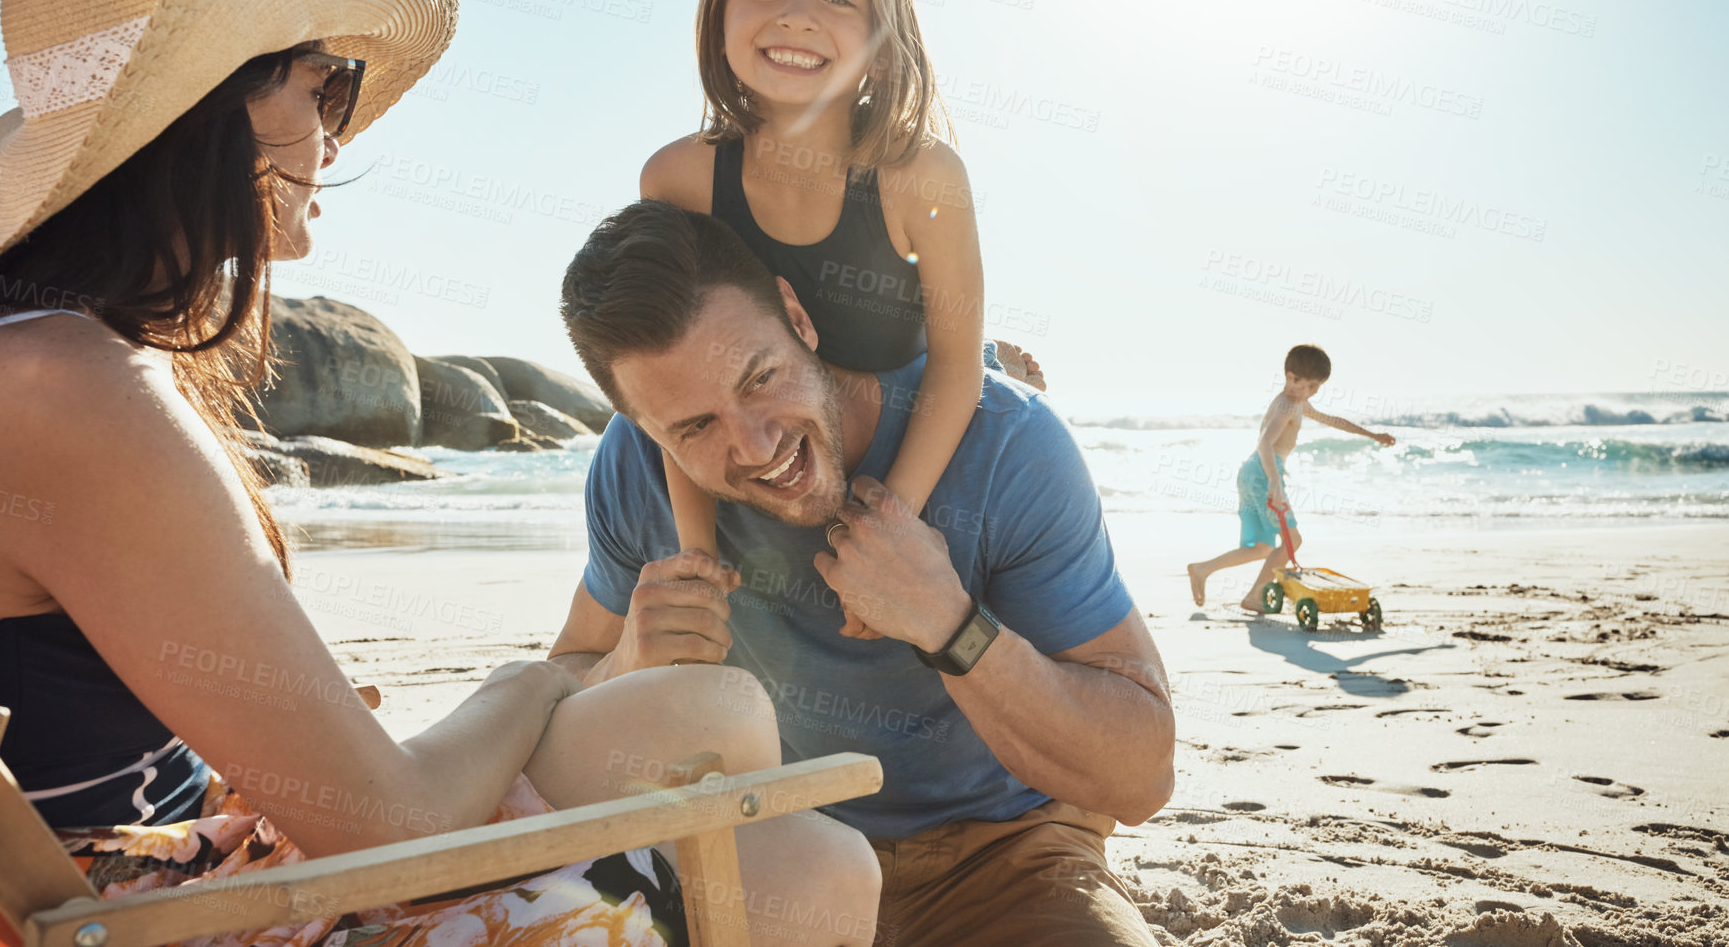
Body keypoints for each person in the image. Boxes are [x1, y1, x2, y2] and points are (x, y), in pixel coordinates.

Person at [0, 0, 877, 945]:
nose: (332, 136)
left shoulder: (11, 345)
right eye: (321, 87)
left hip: (154, 865)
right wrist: (532, 681)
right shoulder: (69, 391)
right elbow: (387, 822)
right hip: (160, 915)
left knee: (713, 709)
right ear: (211, 111)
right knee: (816, 867)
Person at [550, 199, 1175, 947]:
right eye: (694, 426)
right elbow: (561, 680)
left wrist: (949, 624)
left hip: (1004, 856)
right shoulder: (633, 472)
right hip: (773, 855)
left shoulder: (1008, 445)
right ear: (643, 429)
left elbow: (1141, 779)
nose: (756, 445)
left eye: (759, 378)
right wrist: (625, 668)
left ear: (797, 317)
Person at [639, 0, 1042, 575]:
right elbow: (674, 372)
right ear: (719, 13)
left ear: (885, 42)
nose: (797, 16)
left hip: (908, 373)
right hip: (795, 401)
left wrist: (892, 524)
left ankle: (993, 353)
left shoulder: (922, 176)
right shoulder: (678, 179)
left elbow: (948, 373)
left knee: (975, 371)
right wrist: (698, 554)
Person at [1186, 344, 1397, 613]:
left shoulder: (1297, 402)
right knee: (1292, 541)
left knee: (1262, 547)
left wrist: (1373, 435)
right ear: (1290, 377)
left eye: (1316, 387)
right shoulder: (1287, 405)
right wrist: (1274, 480)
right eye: (1307, 385)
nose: (1311, 392)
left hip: (1250, 472)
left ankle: (1202, 569)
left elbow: (1332, 420)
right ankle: (1254, 596)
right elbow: (1265, 443)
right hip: (1264, 472)